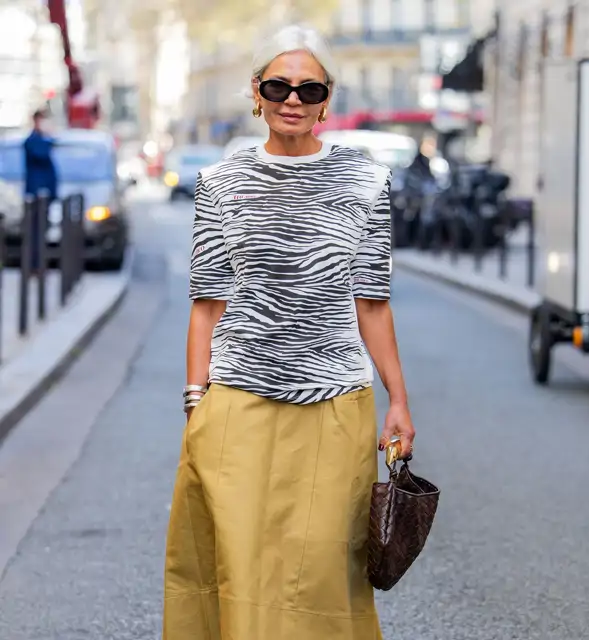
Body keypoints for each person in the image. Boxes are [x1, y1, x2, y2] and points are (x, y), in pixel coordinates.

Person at [163, 24, 415, 640]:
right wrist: (196, 405)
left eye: (309, 88)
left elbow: (373, 305)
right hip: (238, 405)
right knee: (239, 570)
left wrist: (399, 402)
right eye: (278, 85)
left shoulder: (366, 183)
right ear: (257, 92)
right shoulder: (221, 182)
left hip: (336, 407)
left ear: (327, 98)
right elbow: (207, 305)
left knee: (322, 571)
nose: (293, 99)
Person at [24, 109, 58, 202]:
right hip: (38, 190)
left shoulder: (45, 140)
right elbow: (41, 155)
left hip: (46, 189)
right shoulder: (33, 141)